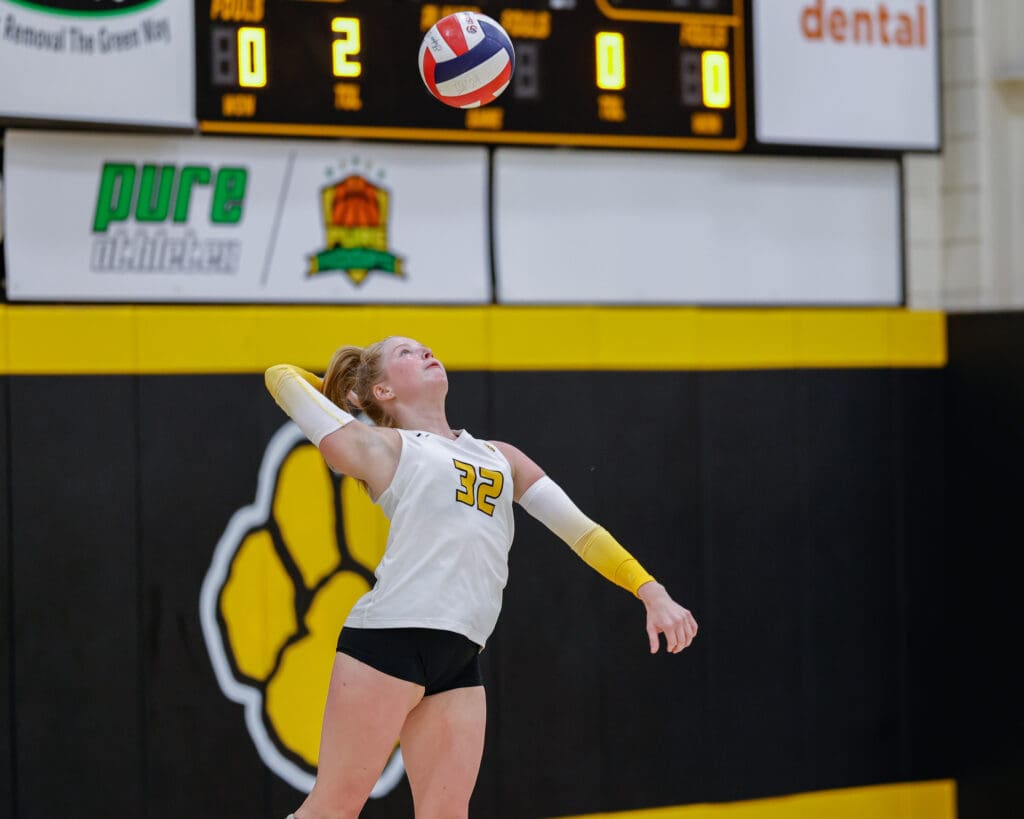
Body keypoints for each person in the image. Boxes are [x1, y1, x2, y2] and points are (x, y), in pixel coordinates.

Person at [264, 336, 698, 819]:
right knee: (334, 809)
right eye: (405, 353)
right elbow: (279, 376)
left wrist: (649, 589)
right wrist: (342, 390)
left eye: (424, 347)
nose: (424, 352)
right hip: (389, 641)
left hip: (459, 656)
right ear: (383, 391)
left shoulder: (499, 456)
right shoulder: (385, 448)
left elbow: (582, 532)